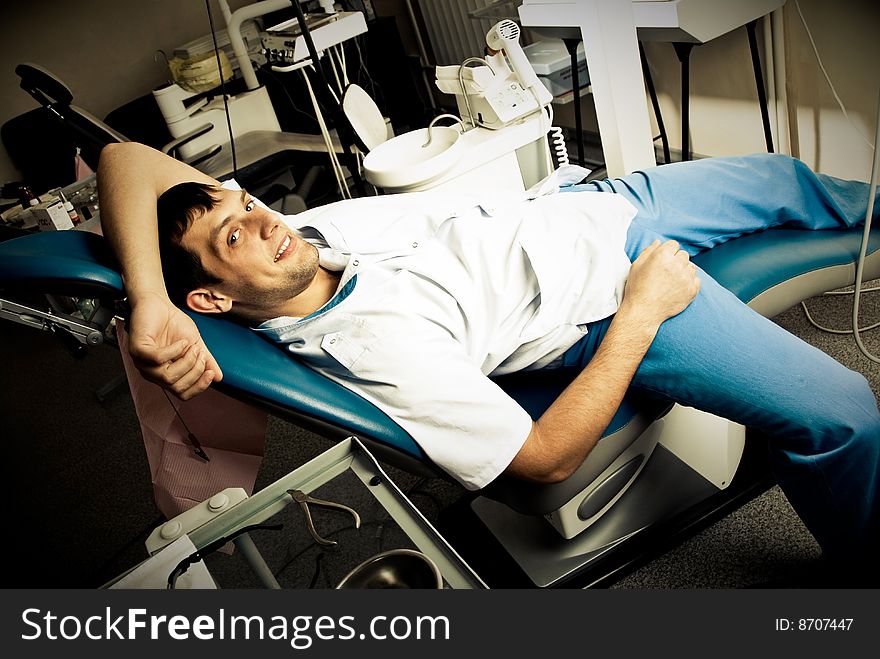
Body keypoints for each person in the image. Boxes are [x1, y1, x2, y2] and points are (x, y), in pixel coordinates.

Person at [97, 141, 879, 582]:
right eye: (233, 236)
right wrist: (643, 309)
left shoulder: (293, 247)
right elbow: (542, 460)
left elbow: (122, 156)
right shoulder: (368, 345)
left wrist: (149, 296)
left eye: (245, 205)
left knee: (787, 178)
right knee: (844, 414)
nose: (262, 222)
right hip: (609, 291)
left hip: (587, 207)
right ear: (210, 300)